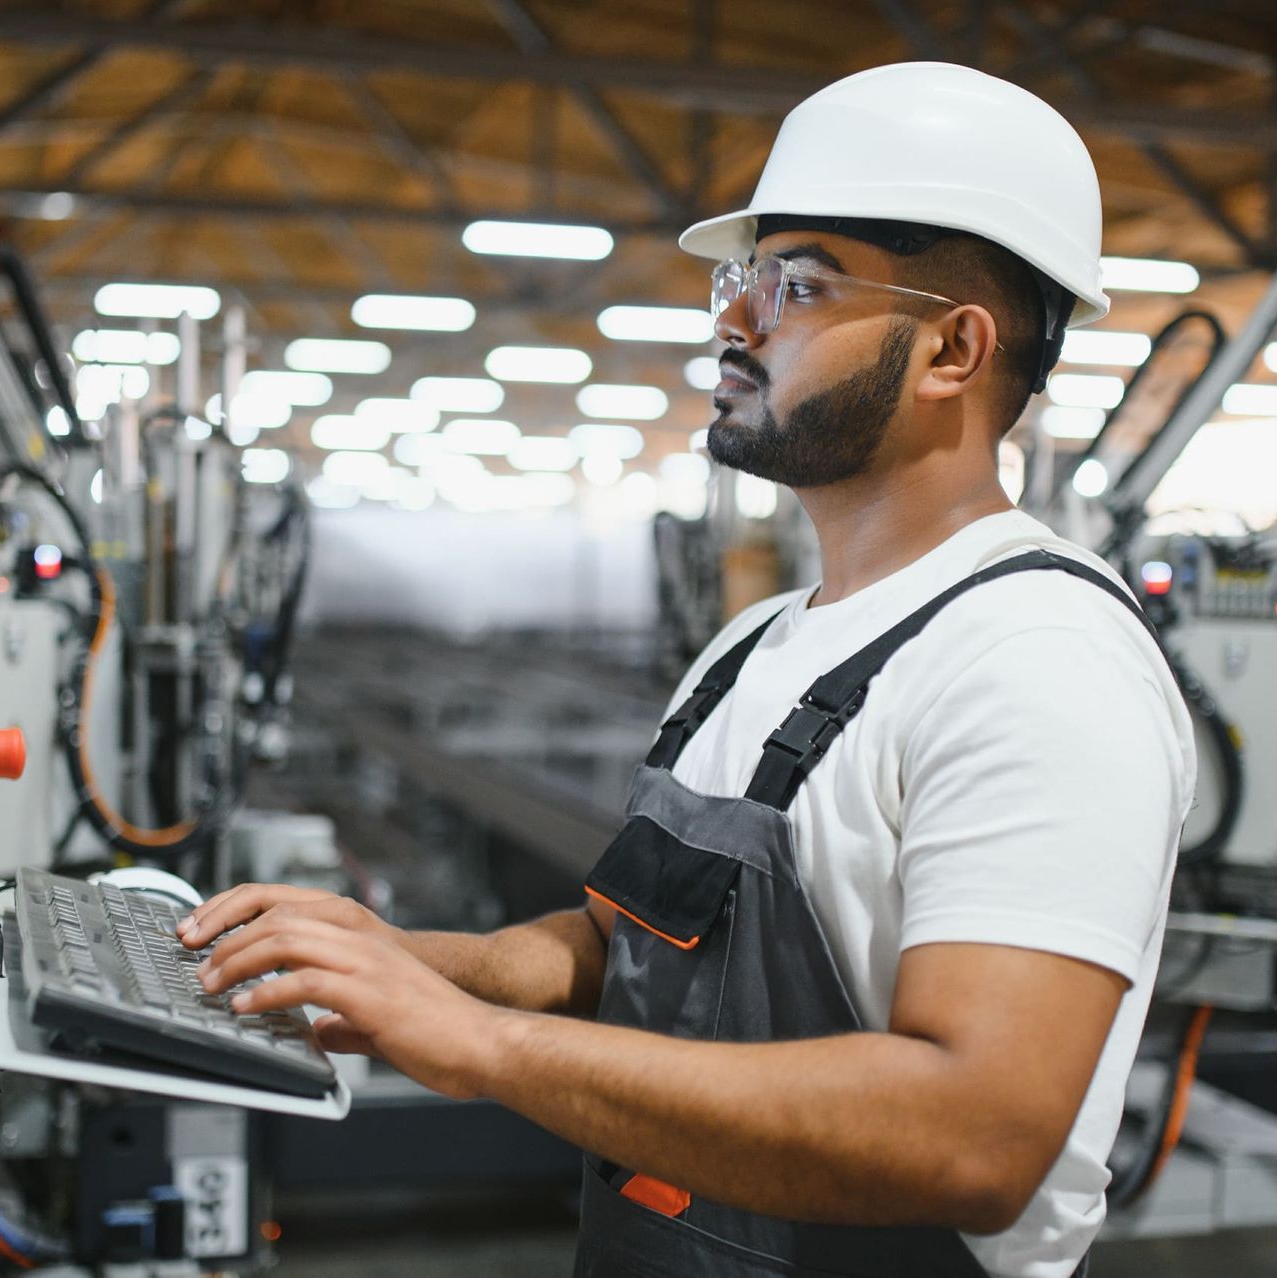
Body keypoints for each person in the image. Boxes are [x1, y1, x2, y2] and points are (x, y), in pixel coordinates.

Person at [178, 62, 1195, 1278]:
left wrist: (475, 1045)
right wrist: (388, 967)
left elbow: (974, 1134)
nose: (734, 320)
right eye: (741, 279)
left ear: (953, 350)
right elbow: (623, 957)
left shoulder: (1038, 664)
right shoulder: (751, 646)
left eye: (799, 283)